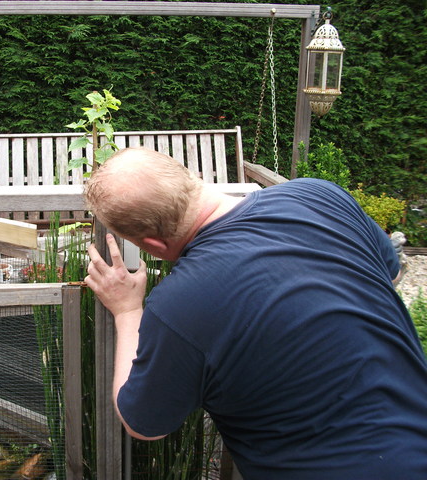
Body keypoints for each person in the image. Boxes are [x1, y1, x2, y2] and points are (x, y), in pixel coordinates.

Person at [83, 147, 427, 479]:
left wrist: (128, 310)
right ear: (194, 177)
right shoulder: (322, 195)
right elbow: (392, 274)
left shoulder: (179, 305)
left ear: (153, 245)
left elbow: (143, 423)